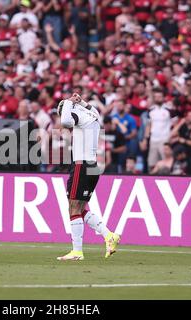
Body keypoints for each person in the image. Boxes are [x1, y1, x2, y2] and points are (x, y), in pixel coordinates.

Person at [56, 93, 120, 261]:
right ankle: (109, 236)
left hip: (81, 166)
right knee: (81, 208)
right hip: (92, 166)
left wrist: (70, 103)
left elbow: (66, 121)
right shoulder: (92, 115)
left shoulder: (75, 115)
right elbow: (96, 111)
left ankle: (77, 251)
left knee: (73, 207)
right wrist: (82, 102)